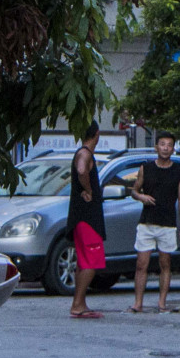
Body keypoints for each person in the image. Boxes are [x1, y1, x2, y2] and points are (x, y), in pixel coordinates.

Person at [131, 131, 180, 314]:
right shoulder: (145, 168)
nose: (165, 148)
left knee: (165, 264)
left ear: (173, 149)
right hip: (147, 222)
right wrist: (141, 197)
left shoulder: (179, 171)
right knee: (142, 264)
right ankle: (138, 302)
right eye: (162, 144)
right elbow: (134, 190)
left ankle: (162, 302)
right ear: (156, 147)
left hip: (168, 223)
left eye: (169, 145)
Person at [67, 123, 107, 319]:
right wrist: (89, 190)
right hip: (87, 218)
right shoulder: (85, 153)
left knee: (83, 261)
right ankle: (77, 304)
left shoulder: (81, 152)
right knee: (91, 260)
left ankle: (80, 303)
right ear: (97, 134)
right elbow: (82, 170)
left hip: (81, 218)